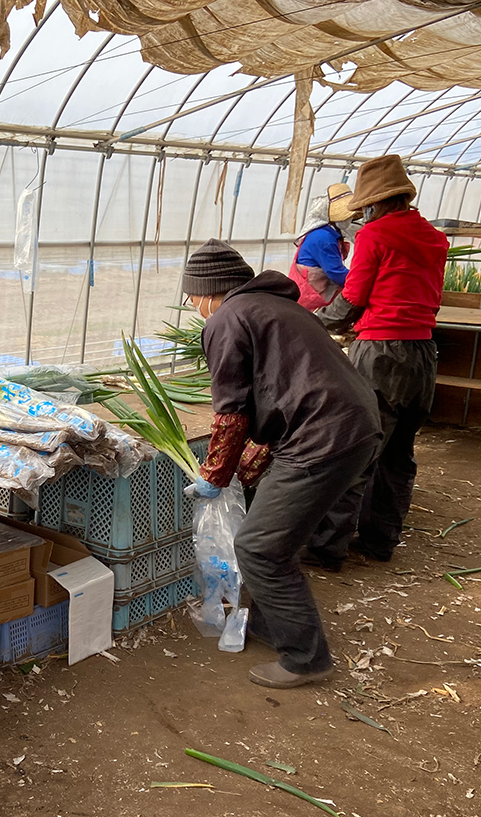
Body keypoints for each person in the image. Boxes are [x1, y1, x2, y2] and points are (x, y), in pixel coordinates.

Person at [182, 240, 381, 688]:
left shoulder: (227, 318)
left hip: (323, 436)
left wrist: (215, 475)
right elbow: (281, 393)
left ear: (209, 291)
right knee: (275, 538)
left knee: (258, 546)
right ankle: (274, 627)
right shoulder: (277, 307)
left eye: (192, 297)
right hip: (354, 424)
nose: (193, 305)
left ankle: (306, 658)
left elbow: (232, 412)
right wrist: (244, 467)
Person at [319, 154, 449, 563]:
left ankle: (327, 548)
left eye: (365, 207)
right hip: (423, 354)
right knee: (399, 452)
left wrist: (312, 323)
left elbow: (353, 299)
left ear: (375, 204)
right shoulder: (433, 236)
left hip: (380, 352)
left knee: (358, 448)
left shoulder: (375, 236)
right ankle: (380, 542)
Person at [290, 183, 357, 311]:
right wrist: (360, 282)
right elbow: (335, 272)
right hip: (310, 298)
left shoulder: (329, 234)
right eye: (346, 216)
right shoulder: (323, 238)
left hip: (315, 293)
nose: (349, 219)